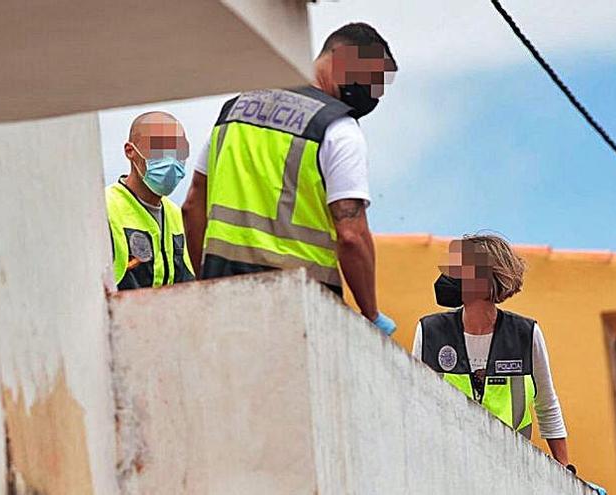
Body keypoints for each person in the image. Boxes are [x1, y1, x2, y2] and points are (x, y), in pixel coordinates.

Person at [182, 22, 398, 334]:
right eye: (373, 78)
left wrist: (207, 279)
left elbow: (192, 206)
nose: (374, 93)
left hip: (223, 295)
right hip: (302, 308)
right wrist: (371, 314)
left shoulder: (235, 112)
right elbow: (351, 235)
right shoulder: (337, 128)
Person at [413, 234, 571, 467]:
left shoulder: (525, 335)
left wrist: (567, 472)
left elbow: (546, 405)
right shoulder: (430, 332)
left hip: (512, 465)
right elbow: (414, 400)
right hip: (447, 461)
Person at [106, 111, 195, 290]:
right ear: (130, 151)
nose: (171, 159)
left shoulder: (176, 214)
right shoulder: (105, 208)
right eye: (159, 148)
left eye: (179, 150)